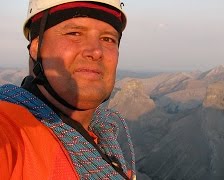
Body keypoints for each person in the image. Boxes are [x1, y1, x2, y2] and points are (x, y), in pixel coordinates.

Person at [0, 0, 135, 179]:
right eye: (74, 33)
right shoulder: (12, 132)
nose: (96, 51)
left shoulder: (103, 138)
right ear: (36, 47)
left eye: (107, 39)